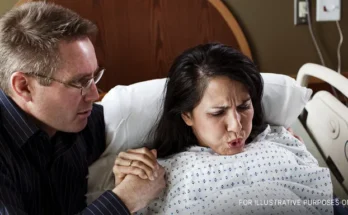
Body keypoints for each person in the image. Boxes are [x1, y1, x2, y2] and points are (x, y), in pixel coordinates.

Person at [114, 43, 335, 215]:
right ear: (187, 115)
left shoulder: (279, 141)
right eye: (218, 113)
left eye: (244, 106)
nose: (236, 125)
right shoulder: (158, 173)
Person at [0, 2, 165, 215]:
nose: (95, 95)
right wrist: (124, 200)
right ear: (24, 86)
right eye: (79, 82)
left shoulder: (78, 121)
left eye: (94, 77)